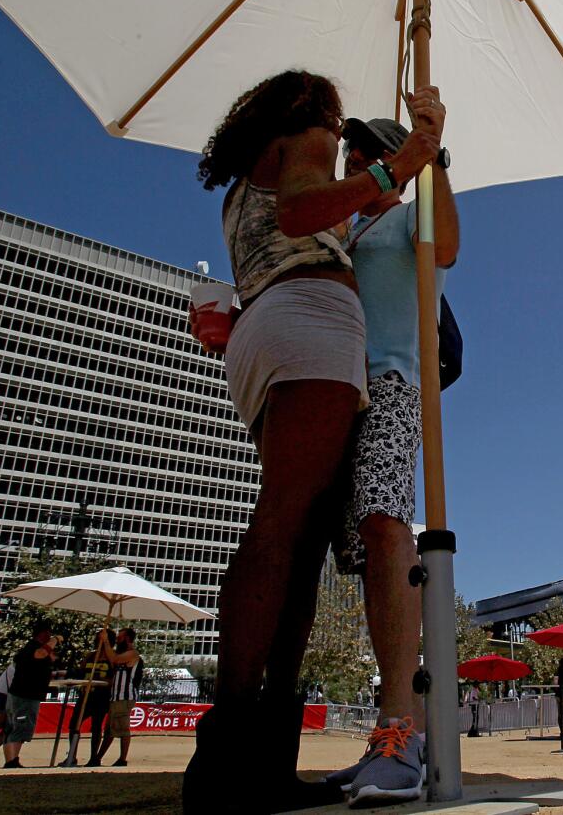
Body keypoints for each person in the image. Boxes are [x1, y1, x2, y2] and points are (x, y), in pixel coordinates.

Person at [185, 70, 441, 812]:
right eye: (336, 115)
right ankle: (232, 755)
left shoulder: (240, 183)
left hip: (260, 337)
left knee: (294, 541)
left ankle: (260, 758)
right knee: (283, 526)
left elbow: (275, 233)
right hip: (314, 323)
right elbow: (302, 216)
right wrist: (405, 161)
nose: (341, 130)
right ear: (315, 109)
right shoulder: (311, 138)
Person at [320, 106, 457, 806]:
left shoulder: (409, 219)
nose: (356, 166)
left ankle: (402, 725)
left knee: (384, 521)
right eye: (351, 157)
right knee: (366, 556)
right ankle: (388, 732)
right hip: (336, 393)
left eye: (370, 154)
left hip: (395, 380)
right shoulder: (342, 227)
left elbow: (448, 249)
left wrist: (433, 154)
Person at [3, 620, 62, 768]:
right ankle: (11, 761)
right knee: (20, 726)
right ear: (44, 633)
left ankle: (12, 759)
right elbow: (41, 654)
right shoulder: (33, 647)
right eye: (48, 633)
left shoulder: (29, 648)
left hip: (22, 694)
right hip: (25, 695)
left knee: (15, 727)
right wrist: (55, 639)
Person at [60, 628, 114, 767]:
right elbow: (81, 671)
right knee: (74, 726)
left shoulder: (112, 657)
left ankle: (94, 758)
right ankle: (72, 756)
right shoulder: (90, 656)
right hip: (85, 695)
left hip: (101, 696)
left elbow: (114, 676)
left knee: (96, 728)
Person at [95, 628, 141, 767]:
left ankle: (122, 759)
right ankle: (98, 757)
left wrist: (106, 641)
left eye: (120, 638)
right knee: (110, 730)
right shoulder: (122, 654)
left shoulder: (132, 654)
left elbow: (114, 660)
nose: (117, 640)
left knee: (122, 729)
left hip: (124, 697)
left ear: (127, 638)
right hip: (116, 697)